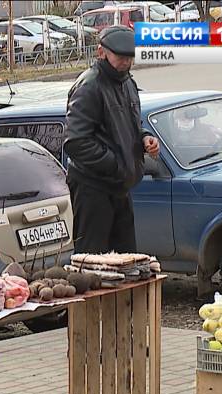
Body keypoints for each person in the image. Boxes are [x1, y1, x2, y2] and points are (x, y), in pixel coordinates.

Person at [63, 25, 160, 254]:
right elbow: (76, 142)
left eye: (130, 58)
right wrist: (116, 164)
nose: (126, 63)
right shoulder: (89, 86)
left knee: (127, 260)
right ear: (101, 52)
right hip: (93, 188)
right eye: (120, 57)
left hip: (120, 186)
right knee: (93, 262)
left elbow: (130, 126)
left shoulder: (128, 83)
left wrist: (145, 138)